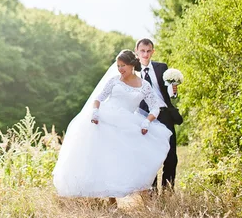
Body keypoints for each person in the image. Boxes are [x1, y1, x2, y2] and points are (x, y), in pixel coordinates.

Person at [53, 50, 172, 199]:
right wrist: (95, 111)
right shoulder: (114, 80)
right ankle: (110, 200)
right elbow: (99, 98)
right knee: (104, 157)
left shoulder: (144, 85)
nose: (120, 69)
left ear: (132, 65)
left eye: (123, 66)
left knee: (128, 159)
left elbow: (155, 106)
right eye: (118, 66)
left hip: (127, 122)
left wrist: (147, 121)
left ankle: (144, 198)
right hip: (105, 119)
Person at [135, 38, 183, 190]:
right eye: (142, 51)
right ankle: (152, 192)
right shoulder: (133, 72)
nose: (145, 54)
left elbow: (168, 92)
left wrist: (173, 91)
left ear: (153, 52)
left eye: (149, 51)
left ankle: (168, 190)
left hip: (164, 114)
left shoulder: (162, 68)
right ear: (137, 52)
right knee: (150, 156)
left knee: (170, 156)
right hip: (144, 117)